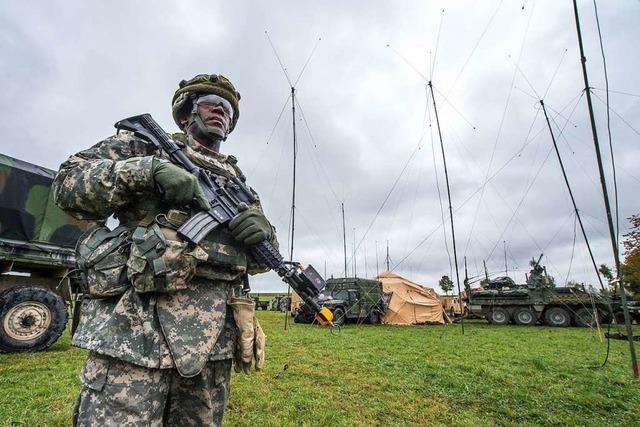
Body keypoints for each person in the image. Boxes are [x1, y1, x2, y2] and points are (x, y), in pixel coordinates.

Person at [53, 74, 276, 426]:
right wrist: (148, 171)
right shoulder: (144, 147)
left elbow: (258, 261)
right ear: (187, 113)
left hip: (210, 343)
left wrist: (266, 234)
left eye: (228, 110)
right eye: (211, 104)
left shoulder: (239, 186)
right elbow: (68, 185)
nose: (221, 111)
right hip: (135, 332)